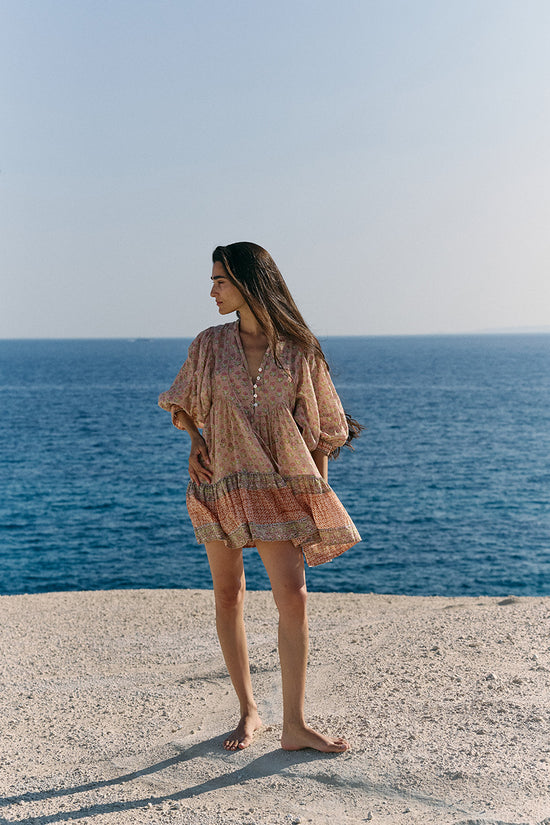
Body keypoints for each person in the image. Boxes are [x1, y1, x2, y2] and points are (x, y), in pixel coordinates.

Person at [158, 242, 361, 753]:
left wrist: (317, 493)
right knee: (229, 595)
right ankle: (249, 711)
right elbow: (181, 403)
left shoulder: (299, 351)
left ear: (247, 284)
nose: (212, 291)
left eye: (220, 282)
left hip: (279, 489)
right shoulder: (208, 345)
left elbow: (322, 432)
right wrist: (197, 442)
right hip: (220, 484)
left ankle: (294, 723)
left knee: (293, 597)